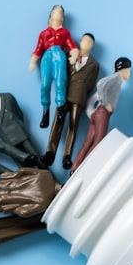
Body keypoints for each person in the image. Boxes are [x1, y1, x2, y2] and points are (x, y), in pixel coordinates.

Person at [44, 32, 100, 169]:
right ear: (80, 41)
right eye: (85, 40)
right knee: (58, 121)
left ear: (92, 46)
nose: (86, 43)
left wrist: (81, 90)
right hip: (63, 95)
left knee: (73, 125)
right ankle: (50, 152)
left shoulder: (94, 64)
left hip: (79, 97)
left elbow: (90, 84)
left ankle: (67, 156)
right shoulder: (68, 55)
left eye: (89, 42)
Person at [71, 57, 132, 172]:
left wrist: (91, 113)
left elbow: (93, 97)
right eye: (129, 70)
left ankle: (74, 168)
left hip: (97, 113)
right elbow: (100, 84)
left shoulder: (116, 80)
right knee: (98, 143)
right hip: (103, 113)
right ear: (123, 69)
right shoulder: (116, 78)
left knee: (87, 143)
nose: (129, 73)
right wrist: (105, 103)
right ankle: (82, 170)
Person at [28, 5, 80, 128]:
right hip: (47, 58)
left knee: (60, 82)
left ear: (62, 18)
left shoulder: (65, 32)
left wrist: (74, 56)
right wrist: (32, 62)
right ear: (50, 16)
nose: (58, 15)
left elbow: (72, 47)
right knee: (45, 84)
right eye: (56, 12)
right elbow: (38, 49)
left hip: (59, 56)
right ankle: (45, 112)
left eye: (60, 13)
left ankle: (60, 111)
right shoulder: (44, 33)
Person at [0, 78, 41, 164]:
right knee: (21, 163)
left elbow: (19, 113)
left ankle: (47, 173)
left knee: (36, 156)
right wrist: (1, 132)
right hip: (7, 139)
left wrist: (18, 124)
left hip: (19, 131)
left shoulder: (7, 97)